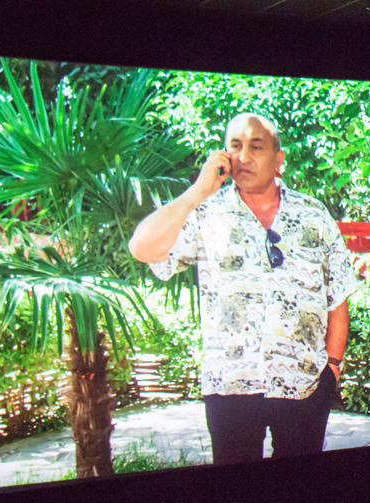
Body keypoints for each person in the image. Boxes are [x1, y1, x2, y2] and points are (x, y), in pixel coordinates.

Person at [129, 112, 358, 463]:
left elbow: (337, 295)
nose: (245, 156)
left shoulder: (314, 215)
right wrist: (198, 191)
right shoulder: (207, 213)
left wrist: (332, 369)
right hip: (230, 387)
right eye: (235, 146)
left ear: (278, 159)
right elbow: (141, 248)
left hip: (304, 384)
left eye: (256, 146)